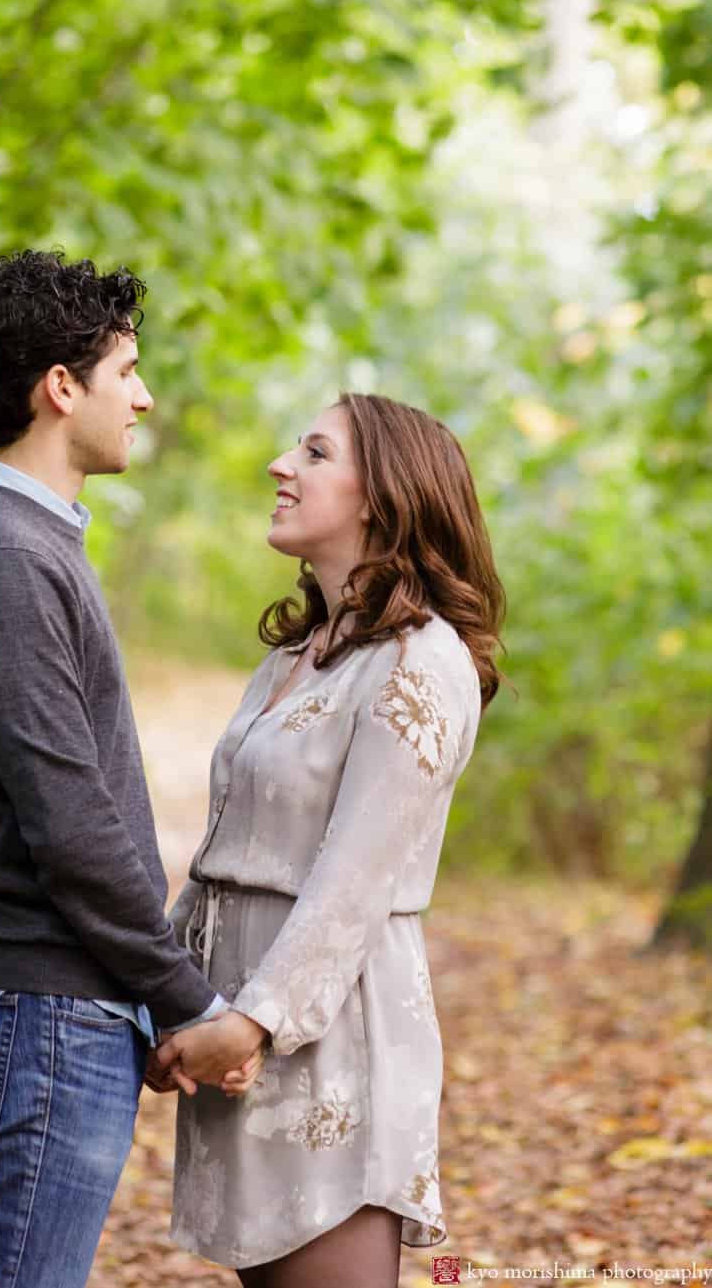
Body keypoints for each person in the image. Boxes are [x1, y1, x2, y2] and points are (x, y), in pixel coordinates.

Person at [0, 249, 263, 1288]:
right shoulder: (7, 560)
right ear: (59, 390)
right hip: (39, 1009)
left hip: (54, 1006)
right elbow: (68, 822)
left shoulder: (29, 545)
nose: (145, 398)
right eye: (128, 373)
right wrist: (185, 1000)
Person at [151, 391, 506, 1287]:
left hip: (329, 1034)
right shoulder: (299, 651)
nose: (280, 465)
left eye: (313, 452)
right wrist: (167, 995)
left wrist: (254, 1022)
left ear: (384, 496)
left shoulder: (424, 660)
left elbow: (355, 879)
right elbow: (222, 852)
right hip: (240, 1025)